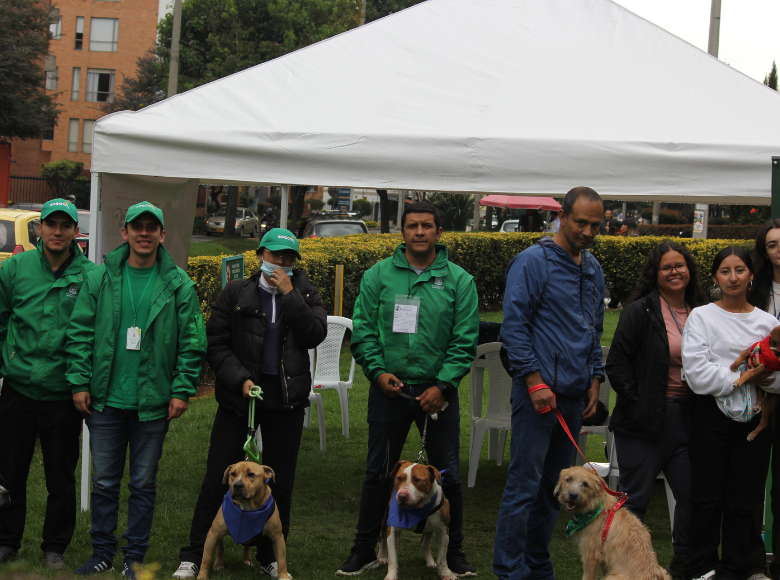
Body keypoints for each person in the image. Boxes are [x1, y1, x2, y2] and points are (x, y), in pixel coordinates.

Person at [335, 201, 479, 577]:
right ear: (402, 232)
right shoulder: (378, 276)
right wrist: (377, 372)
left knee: (448, 475)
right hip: (390, 391)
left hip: (437, 394)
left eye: (427, 226)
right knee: (378, 473)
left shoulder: (459, 280)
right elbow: (363, 330)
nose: (419, 232)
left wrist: (444, 386)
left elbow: (464, 341)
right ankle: (364, 548)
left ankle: (455, 551)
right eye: (412, 226)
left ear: (439, 233)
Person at [173, 229, 327, 579]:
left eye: (289, 258)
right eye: (275, 256)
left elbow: (315, 334)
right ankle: (196, 554)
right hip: (240, 399)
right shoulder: (236, 292)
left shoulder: (305, 292)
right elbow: (217, 342)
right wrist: (238, 379)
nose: (281, 263)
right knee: (219, 476)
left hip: (286, 400)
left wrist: (290, 295)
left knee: (279, 480)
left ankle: (269, 556)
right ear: (260, 255)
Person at [67, 201, 207, 579]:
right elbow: (79, 333)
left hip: (153, 402)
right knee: (104, 481)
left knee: (143, 483)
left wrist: (182, 389)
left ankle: (134, 557)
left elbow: (192, 342)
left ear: (162, 235)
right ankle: (102, 552)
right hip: (105, 400)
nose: (144, 233)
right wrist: (79, 381)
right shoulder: (100, 277)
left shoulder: (179, 283)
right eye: (137, 226)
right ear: (124, 233)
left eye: (151, 227)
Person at [494, 186, 605, 580]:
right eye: (581, 223)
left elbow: (594, 329)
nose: (588, 232)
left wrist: (596, 378)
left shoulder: (592, 268)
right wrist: (535, 380)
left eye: (596, 225)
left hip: (575, 395)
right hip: (537, 394)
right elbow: (515, 326)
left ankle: (537, 565)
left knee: (556, 491)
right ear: (561, 216)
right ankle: (509, 570)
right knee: (524, 486)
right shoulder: (532, 261)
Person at [0, 200, 96, 570]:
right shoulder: (15, 268)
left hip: (62, 394)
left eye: (65, 225)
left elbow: (91, 335)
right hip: (18, 389)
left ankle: (54, 545)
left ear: (76, 231)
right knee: (9, 471)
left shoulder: (90, 275)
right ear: (40, 228)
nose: (57, 231)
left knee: (60, 474)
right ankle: (7, 540)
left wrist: (82, 383)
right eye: (51, 224)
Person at [605, 241, 708, 579]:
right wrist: (637, 403)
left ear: (688, 269)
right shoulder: (641, 310)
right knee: (634, 504)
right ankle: (626, 569)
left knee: (693, 495)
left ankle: (684, 563)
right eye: (667, 267)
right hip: (644, 422)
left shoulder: (704, 309)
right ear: (656, 273)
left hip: (690, 418)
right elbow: (617, 365)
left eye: (680, 265)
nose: (675, 271)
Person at [682, 246, 780, 580]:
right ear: (714, 277)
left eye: (740, 270)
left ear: (752, 274)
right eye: (725, 271)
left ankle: (735, 568)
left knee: (744, 500)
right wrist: (745, 378)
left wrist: (760, 378)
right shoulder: (702, 316)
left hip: (755, 420)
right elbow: (696, 373)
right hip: (710, 416)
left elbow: (778, 375)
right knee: (706, 496)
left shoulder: (768, 322)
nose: (733, 277)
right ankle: (702, 566)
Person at [747, 219, 780, 580]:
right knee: (751, 487)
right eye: (772, 245)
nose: (779, 249)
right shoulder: (755, 291)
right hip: (756, 399)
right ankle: (752, 565)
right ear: (764, 251)